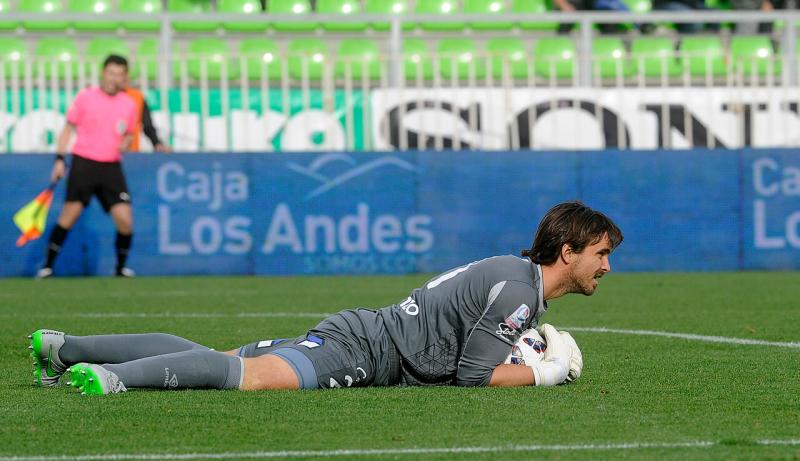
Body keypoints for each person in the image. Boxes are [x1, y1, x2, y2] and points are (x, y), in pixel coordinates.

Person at [28, 201, 623, 395]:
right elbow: (473, 374)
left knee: (216, 356)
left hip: (368, 332)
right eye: (600, 252)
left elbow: (475, 343)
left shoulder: (515, 276)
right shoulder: (520, 289)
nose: (606, 266)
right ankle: (112, 380)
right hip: (369, 349)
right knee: (249, 376)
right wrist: (544, 374)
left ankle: (65, 348)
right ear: (567, 251)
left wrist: (526, 351)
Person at [37, 55, 139, 279]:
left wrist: (126, 142)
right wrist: (60, 159)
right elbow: (68, 128)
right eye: (112, 73)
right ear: (104, 73)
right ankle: (47, 266)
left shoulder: (129, 104)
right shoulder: (86, 97)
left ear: (125, 77)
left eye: (120, 74)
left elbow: (129, 133)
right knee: (69, 216)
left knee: (125, 219)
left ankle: (120, 268)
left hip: (111, 165)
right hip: (85, 162)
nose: (115, 78)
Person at [124, 83, 172, 153]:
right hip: (104, 155)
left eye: (120, 74)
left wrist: (157, 143)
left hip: (130, 153)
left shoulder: (137, 96)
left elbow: (147, 125)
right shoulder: (102, 98)